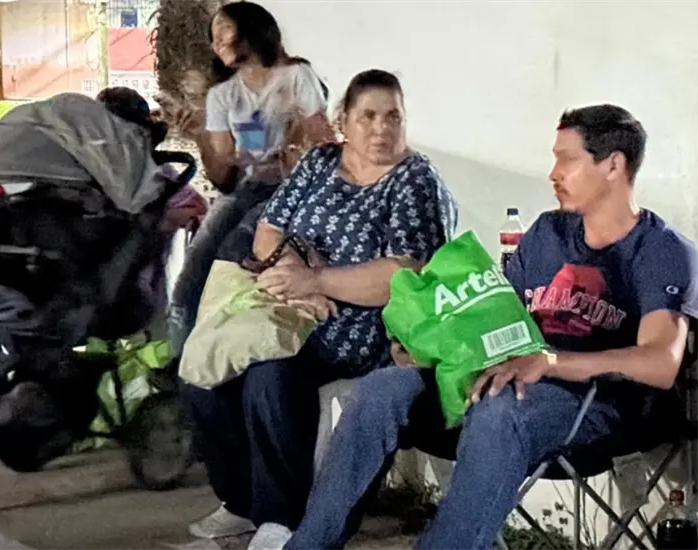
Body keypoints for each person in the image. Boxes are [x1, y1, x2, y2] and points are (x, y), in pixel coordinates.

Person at [281, 104, 698, 550]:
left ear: (613, 164)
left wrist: (551, 362)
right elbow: (494, 317)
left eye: (567, 159)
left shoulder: (660, 250)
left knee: (499, 408)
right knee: (384, 388)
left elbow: (660, 362)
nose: (553, 172)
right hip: (502, 382)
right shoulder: (546, 234)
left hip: (595, 406)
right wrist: (433, 344)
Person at [183, 69, 458, 550]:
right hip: (292, 303)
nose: (381, 128)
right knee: (203, 369)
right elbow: (270, 228)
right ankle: (242, 500)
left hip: (362, 323)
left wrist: (318, 281)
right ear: (343, 121)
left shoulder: (414, 180)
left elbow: (404, 273)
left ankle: (282, 520)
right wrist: (295, 277)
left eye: (393, 116)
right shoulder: (320, 162)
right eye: (368, 116)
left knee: (269, 374)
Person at [166, 1, 335, 357]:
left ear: (252, 31)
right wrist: (200, 136)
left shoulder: (296, 77)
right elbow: (223, 178)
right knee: (193, 274)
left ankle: (216, 355)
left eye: (223, 33)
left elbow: (324, 146)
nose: (216, 45)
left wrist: (296, 142)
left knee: (231, 256)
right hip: (249, 189)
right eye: (213, 38)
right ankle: (178, 363)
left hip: (293, 190)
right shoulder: (222, 96)